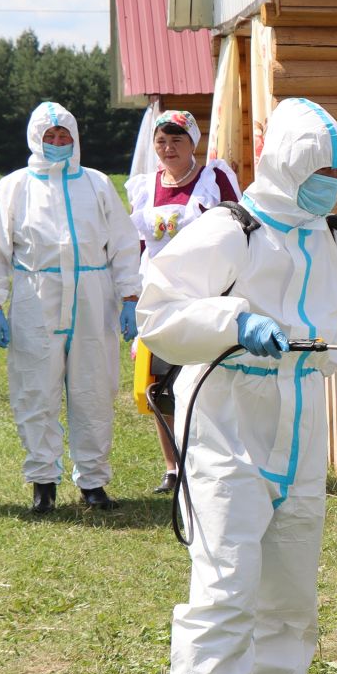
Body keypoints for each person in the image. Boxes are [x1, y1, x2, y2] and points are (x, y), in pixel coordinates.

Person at [137, 97, 337, 674]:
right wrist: (235, 322)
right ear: (287, 165)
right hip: (229, 416)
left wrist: (321, 352)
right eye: (318, 170)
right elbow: (159, 313)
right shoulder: (230, 229)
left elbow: (327, 318)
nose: (330, 182)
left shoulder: (324, 237)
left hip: (298, 417)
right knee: (227, 583)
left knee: (290, 585)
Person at [0, 102, 142, 513]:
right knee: (36, 389)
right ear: (35, 139)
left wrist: (130, 297)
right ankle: (42, 483)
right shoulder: (14, 187)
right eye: (49, 137)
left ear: (76, 138)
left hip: (91, 293)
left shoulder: (97, 184)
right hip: (37, 293)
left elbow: (122, 244)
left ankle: (93, 482)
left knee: (94, 389)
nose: (57, 143)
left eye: (64, 136)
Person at [128, 109, 241, 496]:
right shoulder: (144, 187)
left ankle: (206, 460)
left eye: (177, 139)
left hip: (204, 294)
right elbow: (138, 246)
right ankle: (173, 467)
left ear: (193, 142)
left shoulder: (214, 178)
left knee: (204, 380)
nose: (168, 147)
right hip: (158, 296)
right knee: (157, 386)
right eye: (161, 140)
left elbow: (239, 227)